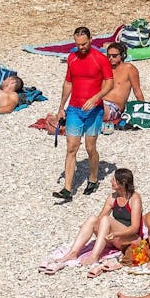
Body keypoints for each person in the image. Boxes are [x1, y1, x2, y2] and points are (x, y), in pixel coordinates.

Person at [40, 168, 145, 276]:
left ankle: (94, 257)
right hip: (115, 239)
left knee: (107, 219)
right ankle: (73, 253)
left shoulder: (134, 198)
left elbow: (134, 228)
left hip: (132, 240)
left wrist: (116, 234)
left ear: (121, 184)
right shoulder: (112, 197)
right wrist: (87, 226)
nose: (111, 181)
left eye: (114, 179)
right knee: (92, 219)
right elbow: (99, 219)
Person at [51, 26, 113, 198]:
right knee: (71, 147)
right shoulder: (72, 58)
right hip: (74, 109)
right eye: (78, 44)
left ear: (91, 40)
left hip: (94, 110)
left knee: (90, 147)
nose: (81, 47)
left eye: (84, 44)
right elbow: (68, 83)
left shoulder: (100, 59)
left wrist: (95, 98)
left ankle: (93, 178)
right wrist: (61, 107)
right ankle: (67, 188)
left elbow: (109, 83)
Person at [102, 42, 145, 131]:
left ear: (122, 55)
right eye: (108, 56)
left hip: (114, 107)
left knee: (96, 111)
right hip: (100, 102)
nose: (110, 58)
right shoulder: (105, 68)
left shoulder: (129, 68)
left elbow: (137, 90)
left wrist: (143, 110)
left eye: (114, 56)